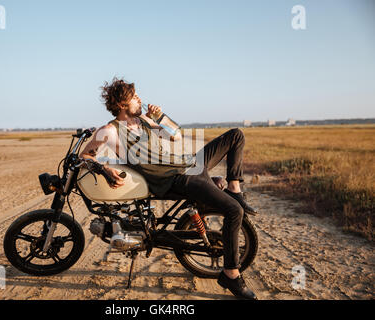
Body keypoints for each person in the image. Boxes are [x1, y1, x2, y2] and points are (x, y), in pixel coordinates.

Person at [80, 77, 258, 300]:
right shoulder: (110, 130)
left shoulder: (144, 120)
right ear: (123, 104)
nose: (140, 99)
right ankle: (231, 274)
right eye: (135, 97)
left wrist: (160, 116)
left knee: (236, 135)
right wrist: (105, 169)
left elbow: (175, 135)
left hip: (190, 165)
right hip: (176, 179)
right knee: (234, 211)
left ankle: (234, 189)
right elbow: (85, 155)